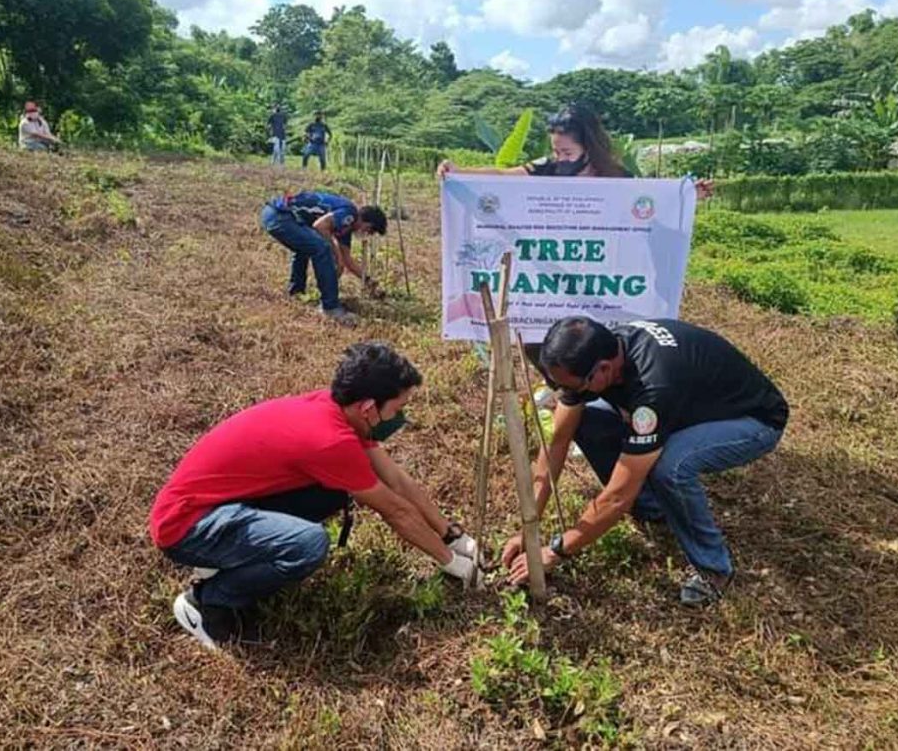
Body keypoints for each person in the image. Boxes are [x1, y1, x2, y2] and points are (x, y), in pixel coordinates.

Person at [149, 342, 482, 648]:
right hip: (186, 526)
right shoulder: (330, 440)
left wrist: (452, 536)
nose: (401, 417)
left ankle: (232, 560)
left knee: (332, 493)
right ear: (368, 407)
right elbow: (396, 510)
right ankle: (209, 602)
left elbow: (395, 478)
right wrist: (452, 563)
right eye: (398, 407)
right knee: (308, 544)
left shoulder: (339, 410)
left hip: (218, 505)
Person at [502, 317, 789, 606]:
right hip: (689, 406)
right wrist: (528, 527)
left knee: (673, 467)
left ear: (603, 369)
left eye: (575, 387)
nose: (569, 393)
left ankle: (713, 569)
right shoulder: (598, 352)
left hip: (753, 420)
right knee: (585, 421)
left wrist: (555, 551)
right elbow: (557, 442)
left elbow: (617, 498)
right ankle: (653, 508)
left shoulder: (653, 389)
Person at [437, 102, 714, 197]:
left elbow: (654, 198)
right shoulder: (547, 168)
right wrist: (459, 171)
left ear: (589, 147)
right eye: (556, 151)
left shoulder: (616, 177)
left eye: (568, 154)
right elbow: (503, 174)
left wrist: (688, 193)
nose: (560, 159)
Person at [260, 189, 388, 325]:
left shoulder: (345, 227)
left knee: (307, 246)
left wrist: (368, 280)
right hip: (280, 216)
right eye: (370, 229)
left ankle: (296, 292)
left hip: (276, 215)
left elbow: (347, 260)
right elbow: (320, 226)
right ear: (365, 220)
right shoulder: (349, 214)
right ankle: (330, 307)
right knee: (322, 248)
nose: (366, 233)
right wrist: (336, 256)